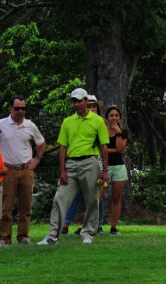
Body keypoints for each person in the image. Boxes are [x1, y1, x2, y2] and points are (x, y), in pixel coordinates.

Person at [37, 88, 109, 245]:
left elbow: (104, 146)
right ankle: (53, 236)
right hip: (70, 164)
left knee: (92, 200)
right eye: (74, 101)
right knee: (60, 198)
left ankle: (88, 233)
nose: (76, 104)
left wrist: (105, 171)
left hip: (90, 162)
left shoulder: (98, 121)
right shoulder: (67, 122)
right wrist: (62, 170)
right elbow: (63, 147)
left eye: (78, 101)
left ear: (86, 101)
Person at [0, 96, 45, 245]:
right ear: (10, 109)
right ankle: (4, 238)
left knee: (26, 206)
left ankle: (23, 237)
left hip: (26, 170)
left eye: (23, 108)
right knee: (6, 206)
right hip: (7, 170)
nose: (21, 111)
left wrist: (37, 158)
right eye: (17, 108)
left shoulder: (30, 125)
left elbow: (41, 143)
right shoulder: (0, 124)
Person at [62, 95, 105, 235]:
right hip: (77, 163)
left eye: (94, 106)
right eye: (90, 105)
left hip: (96, 162)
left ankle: (95, 226)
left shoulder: (99, 123)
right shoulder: (73, 122)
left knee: (96, 196)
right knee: (75, 195)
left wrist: (103, 168)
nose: (92, 108)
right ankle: (66, 224)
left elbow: (107, 146)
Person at [101, 105, 128, 235]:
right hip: (103, 167)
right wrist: (112, 150)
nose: (114, 118)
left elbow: (120, 149)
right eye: (111, 115)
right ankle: (94, 226)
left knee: (116, 197)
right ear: (107, 117)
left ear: (120, 117)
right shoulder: (102, 130)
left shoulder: (123, 132)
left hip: (118, 167)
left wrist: (118, 132)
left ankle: (113, 227)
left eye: (116, 115)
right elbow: (101, 150)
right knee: (97, 197)